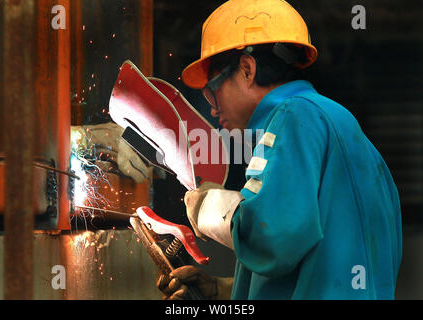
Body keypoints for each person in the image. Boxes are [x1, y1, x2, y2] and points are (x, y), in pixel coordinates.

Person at [157, 0, 402, 300]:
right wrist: (223, 291)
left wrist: (207, 207)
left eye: (213, 89)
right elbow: (317, 260)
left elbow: (272, 234)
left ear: (247, 70)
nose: (211, 106)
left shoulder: (295, 115)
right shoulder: (349, 135)